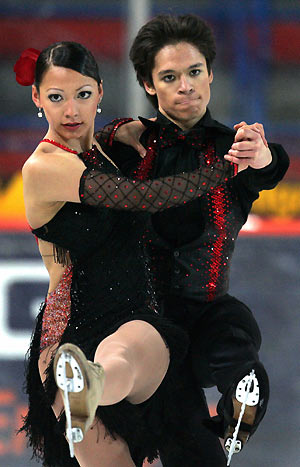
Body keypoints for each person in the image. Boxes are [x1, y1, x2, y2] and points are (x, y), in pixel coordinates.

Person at [15, 41, 235, 467]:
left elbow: (117, 138)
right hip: (70, 326)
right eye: (56, 98)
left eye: (82, 95)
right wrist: (229, 167)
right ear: (37, 98)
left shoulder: (98, 147)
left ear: (99, 91)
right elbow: (145, 197)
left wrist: (120, 129)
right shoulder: (42, 167)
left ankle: (91, 382)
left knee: (123, 353)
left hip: (132, 314)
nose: (71, 111)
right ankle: (83, 381)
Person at [96, 14, 290, 466]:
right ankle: (214, 431)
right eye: (169, 76)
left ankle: (240, 403)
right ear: (148, 84)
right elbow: (78, 150)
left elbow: (270, 167)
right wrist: (108, 132)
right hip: (146, 324)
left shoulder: (234, 147)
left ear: (210, 73)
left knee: (237, 337)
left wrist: (262, 155)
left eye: (194, 71)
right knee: (194, 453)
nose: (185, 85)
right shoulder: (130, 144)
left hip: (207, 310)